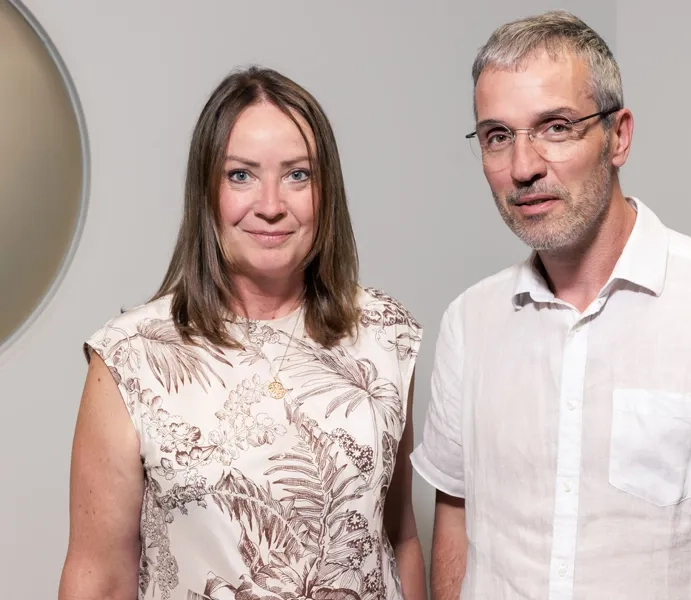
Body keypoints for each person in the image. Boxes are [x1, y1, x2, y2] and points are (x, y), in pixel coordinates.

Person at [411, 10, 691, 600]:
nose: (523, 167)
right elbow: (459, 523)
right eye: (497, 136)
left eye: (556, 127)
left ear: (618, 136)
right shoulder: (470, 323)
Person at [59, 66, 426, 600]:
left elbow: (399, 540)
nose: (272, 204)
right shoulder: (130, 359)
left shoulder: (386, 336)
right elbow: (100, 574)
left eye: (298, 174)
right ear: (205, 190)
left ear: (327, 192)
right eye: (241, 175)